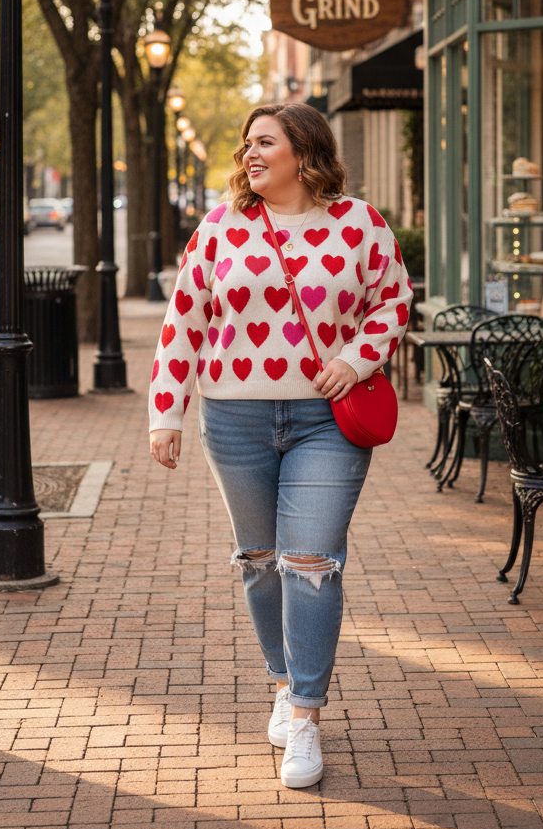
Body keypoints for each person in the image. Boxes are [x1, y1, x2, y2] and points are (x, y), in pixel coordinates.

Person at [149, 102, 412, 788]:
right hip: (234, 421)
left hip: (328, 419)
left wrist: (357, 359)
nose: (250, 153)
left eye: (265, 141)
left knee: (312, 562)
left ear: (305, 150)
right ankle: (281, 679)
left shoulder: (360, 224)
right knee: (261, 561)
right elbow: (184, 322)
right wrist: (165, 413)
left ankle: (305, 717)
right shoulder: (218, 229)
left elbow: (393, 299)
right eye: (247, 144)